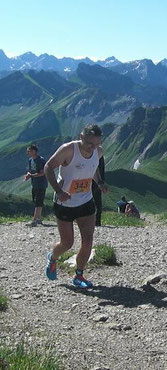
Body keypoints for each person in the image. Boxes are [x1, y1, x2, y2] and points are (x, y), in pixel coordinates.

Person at [44, 124, 109, 289]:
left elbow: (93, 168)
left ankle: (79, 275)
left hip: (86, 201)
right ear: (81, 137)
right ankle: (52, 258)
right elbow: (48, 167)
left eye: (96, 144)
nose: (92, 148)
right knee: (67, 243)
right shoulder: (68, 150)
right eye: (89, 144)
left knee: (88, 241)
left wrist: (100, 182)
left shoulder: (98, 151)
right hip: (64, 203)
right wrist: (59, 191)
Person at [24, 144, 48, 227]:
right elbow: (30, 171)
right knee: (36, 201)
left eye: (29, 151)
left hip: (41, 183)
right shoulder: (30, 160)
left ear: (34, 151)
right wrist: (28, 175)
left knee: (38, 201)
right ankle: (38, 218)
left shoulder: (41, 160)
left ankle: (35, 220)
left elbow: (43, 172)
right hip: (34, 184)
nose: (28, 152)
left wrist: (32, 176)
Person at [91, 156, 105, 226]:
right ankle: (97, 221)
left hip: (91, 182)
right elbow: (102, 170)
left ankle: (94, 221)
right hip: (97, 183)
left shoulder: (92, 155)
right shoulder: (100, 156)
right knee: (98, 202)